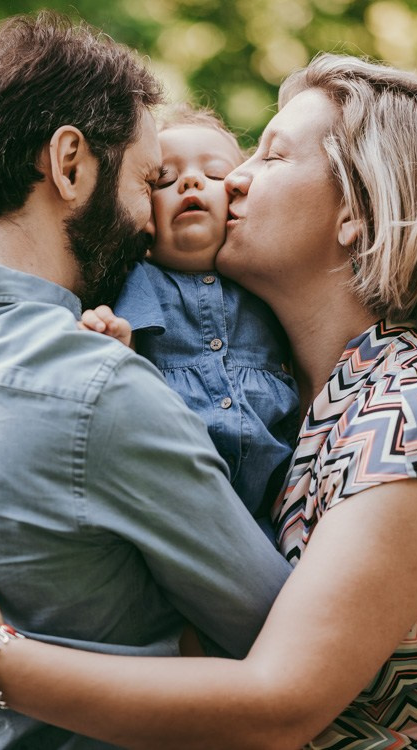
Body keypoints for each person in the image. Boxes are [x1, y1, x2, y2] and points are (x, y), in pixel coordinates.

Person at [0, 53, 417, 749]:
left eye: (271, 156)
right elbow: (30, 246)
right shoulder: (282, 384)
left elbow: (280, 703)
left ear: (357, 210)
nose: (236, 179)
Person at [0, 12, 292, 750]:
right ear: (71, 164)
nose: (146, 218)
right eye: (146, 179)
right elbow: (274, 633)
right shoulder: (100, 390)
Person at [80, 104, 300, 533]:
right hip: (166, 512)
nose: (191, 181)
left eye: (216, 175)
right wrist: (117, 346)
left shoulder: (268, 285)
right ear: (141, 219)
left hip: (268, 520)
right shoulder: (129, 281)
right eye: (165, 180)